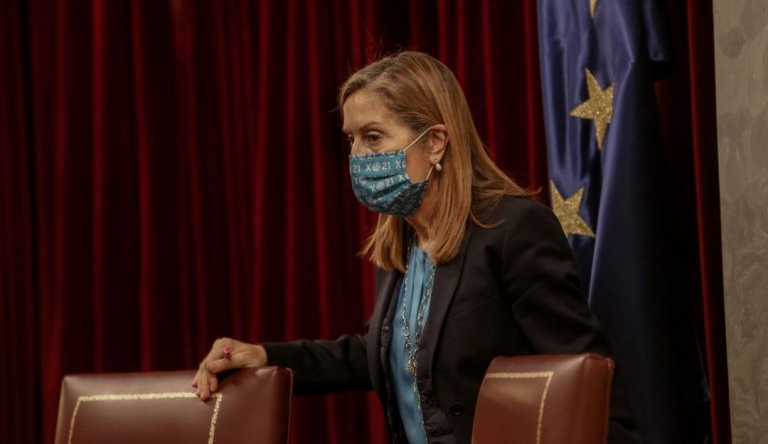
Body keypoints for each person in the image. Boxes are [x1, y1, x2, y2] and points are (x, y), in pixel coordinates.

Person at [193, 51, 640, 443]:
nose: (357, 156)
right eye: (351, 139)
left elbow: (584, 375)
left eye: (373, 137)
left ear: (435, 142)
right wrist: (264, 355)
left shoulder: (513, 228)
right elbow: (383, 353)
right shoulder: (402, 242)